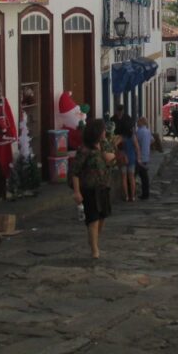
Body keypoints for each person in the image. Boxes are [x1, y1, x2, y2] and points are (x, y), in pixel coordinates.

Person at [70, 118, 116, 259]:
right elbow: (75, 172)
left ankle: (93, 239)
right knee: (93, 219)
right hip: (89, 189)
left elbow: (112, 157)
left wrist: (105, 153)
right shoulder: (84, 150)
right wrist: (77, 192)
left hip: (104, 187)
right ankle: (94, 249)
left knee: (102, 217)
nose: (104, 132)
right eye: (102, 130)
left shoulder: (105, 144)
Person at [112, 104, 139, 202]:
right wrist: (139, 157)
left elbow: (114, 144)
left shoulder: (120, 138)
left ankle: (127, 196)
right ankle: (133, 196)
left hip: (122, 157)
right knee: (131, 177)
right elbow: (137, 147)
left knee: (124, 177)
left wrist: (118, 151)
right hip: (131, 157)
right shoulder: (132, 136)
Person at [135, 116, 153, 200]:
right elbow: (153, 140)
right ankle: (145, 193)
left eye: (138, 122)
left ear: (141, 122)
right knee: (144, 176)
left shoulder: (139, 131)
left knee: (137, 175)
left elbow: (135, 142)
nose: (137, 123)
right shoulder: (147, 131)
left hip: (139, 156)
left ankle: (143, 194)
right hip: (146, 155)